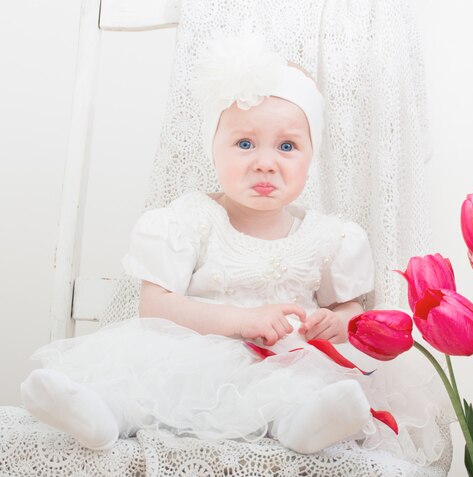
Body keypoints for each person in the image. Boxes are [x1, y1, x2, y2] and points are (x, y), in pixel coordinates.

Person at [21, 35, 446, 462]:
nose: (265, 162)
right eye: (245, 144)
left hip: (284, 360)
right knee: (144, 384)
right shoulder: (190, 220)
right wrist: (241, 321)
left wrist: (338, 323)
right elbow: (154, 305)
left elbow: (350, 307)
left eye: (287, 146)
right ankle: (100, 413)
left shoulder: (328, 237)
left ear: (310, 155)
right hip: (197, 352)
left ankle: (306, 424)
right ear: (214, 147)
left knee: (296, 389)